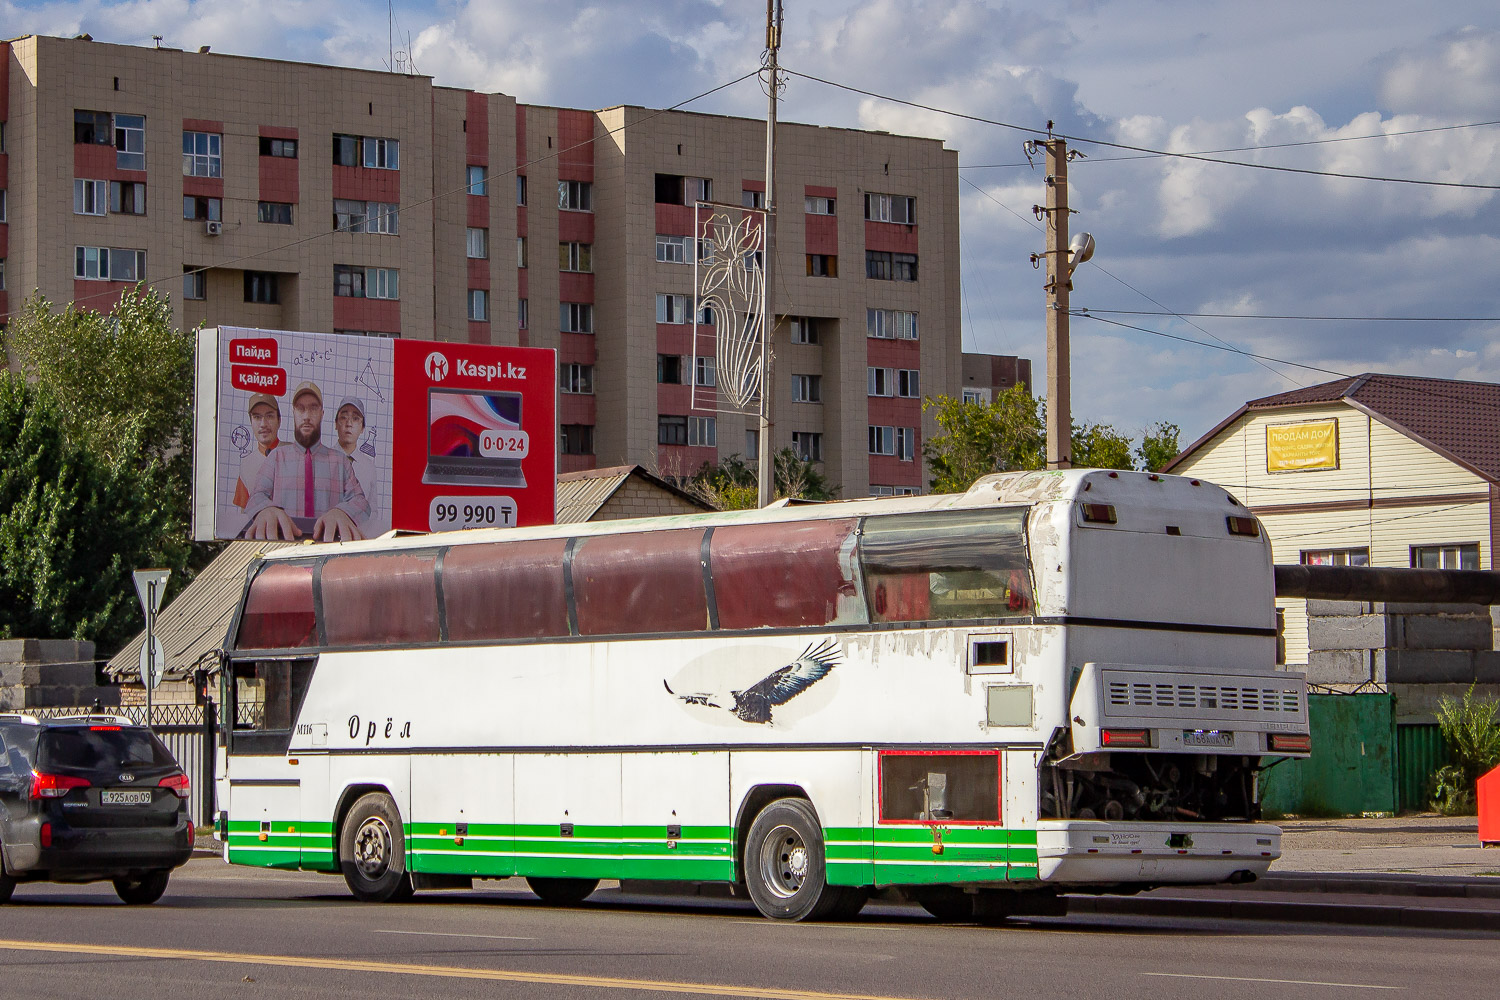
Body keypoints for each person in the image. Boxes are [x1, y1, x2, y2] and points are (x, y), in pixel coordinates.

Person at [244, 380, 369, 541]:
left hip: (328, 549)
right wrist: (266, 509)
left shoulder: (340, 461)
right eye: (301, 408)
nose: (307, 416)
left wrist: (342, 512)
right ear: (293, 412)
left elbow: (361, 501)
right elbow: (256, 496)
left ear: (322, 413)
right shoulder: (276, 457)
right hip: (284, 548)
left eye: (313, 408)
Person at [232, 393, 283, 515]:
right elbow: (244, 513)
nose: (263, 424)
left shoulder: (295, 454)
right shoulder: (246, 464)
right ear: (251, 421)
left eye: (269, 416)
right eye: (257, 417)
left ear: (279, 420)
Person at [334, 396, 377, 516]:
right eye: (344, 417)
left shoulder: (369, 467)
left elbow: (373, 512)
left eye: (355, 418)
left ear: (362, 428)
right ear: (336, 424)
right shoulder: (322, 460)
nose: (349, 424)